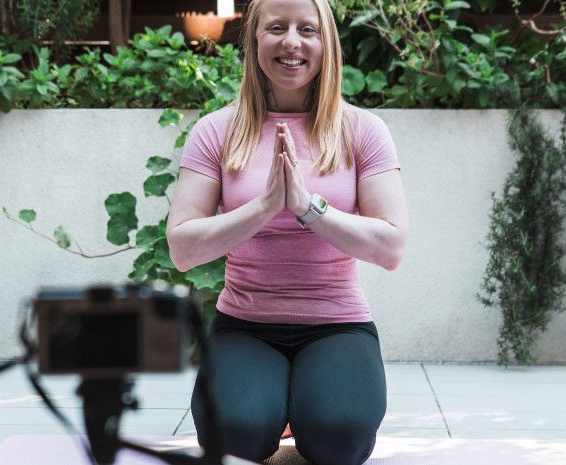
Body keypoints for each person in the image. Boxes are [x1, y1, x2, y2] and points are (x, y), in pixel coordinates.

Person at [166, 0, 408, 463]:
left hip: (337, 324)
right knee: (233, 433)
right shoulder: (216, 131)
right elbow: (182, 247)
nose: (291, 42)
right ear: (255, 38)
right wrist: (263, 206)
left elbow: (391, 246)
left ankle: (305, 408)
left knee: (340, 436)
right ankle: (273, 407)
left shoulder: (363, 130)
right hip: (245, 325)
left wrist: (308, 208)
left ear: (326, 43)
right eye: (276, 28)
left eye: (307, 30)